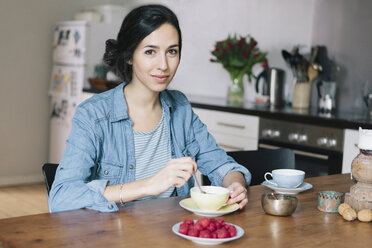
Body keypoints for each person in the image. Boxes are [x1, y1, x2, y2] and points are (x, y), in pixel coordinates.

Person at [48, 4, 251, 213]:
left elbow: (221, 165)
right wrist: (148, 185)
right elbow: (62, 197)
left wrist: (235, 184)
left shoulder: (180, 107)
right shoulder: (93, 114)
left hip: (174, 232)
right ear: (129, 56)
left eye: (172, 51)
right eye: (150, 51)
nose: (163, 64)